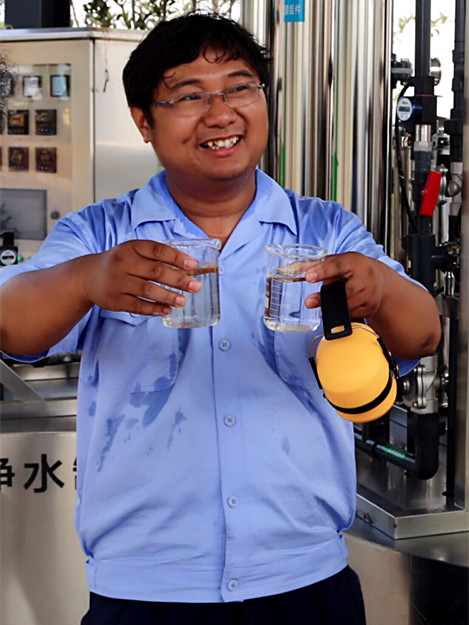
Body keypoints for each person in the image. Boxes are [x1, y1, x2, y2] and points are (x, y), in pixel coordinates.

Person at [0, 12, 440, 625]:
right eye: (189, 96)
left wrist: (382, 289)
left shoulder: (325, 229)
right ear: (144, 121)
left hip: (304, 579)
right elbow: (12, 326)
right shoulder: (101, 234)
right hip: (147, 591)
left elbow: (424, 332)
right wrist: (86, 280)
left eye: (239, 88)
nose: (220, 113)